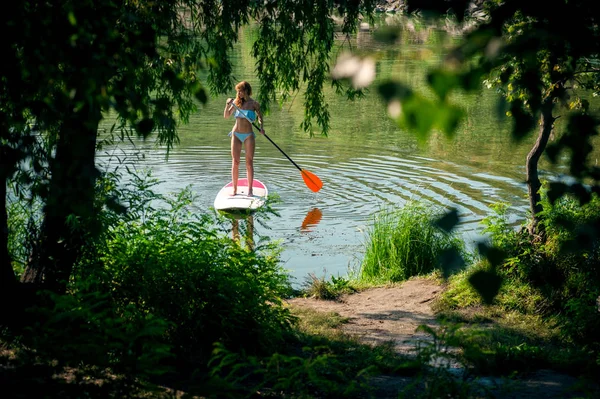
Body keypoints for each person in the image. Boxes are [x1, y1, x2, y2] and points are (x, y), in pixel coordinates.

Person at [223, 81, 265, 196]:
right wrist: (227, 105)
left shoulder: (254, 104)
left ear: (246, 91)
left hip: (248, 135)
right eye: (237, 91)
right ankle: (234, 190)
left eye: (240, 91)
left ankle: (250, 190)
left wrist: (261, 127)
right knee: (235, 162)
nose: (238, 93)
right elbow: (226, 116)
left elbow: (260, 117)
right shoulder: (236, 103)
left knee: (249, 163)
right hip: (236, 134)